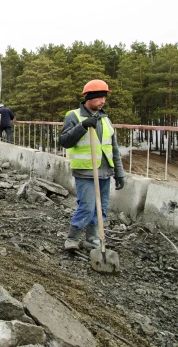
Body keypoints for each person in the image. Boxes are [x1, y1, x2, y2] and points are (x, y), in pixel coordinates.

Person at [58, 79, 126, 251]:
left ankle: (92, 240)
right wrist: (82, 126)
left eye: (105, 97)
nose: (103, 101)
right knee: (87, 207)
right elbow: (64, 141)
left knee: (100, 209)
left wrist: (119, 173)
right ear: (89, 98)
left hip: (104, 172)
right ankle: (72, 239)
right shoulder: (74, 116)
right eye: (100, 97)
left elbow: (114, 148)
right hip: (85, 171)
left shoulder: (106, 119)